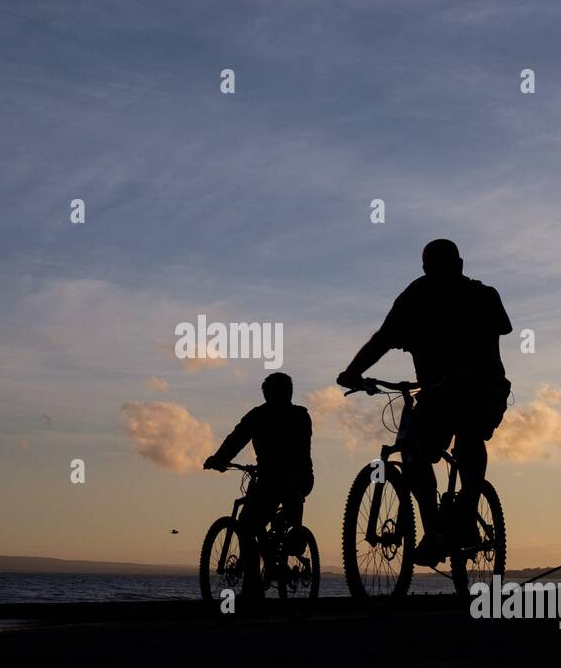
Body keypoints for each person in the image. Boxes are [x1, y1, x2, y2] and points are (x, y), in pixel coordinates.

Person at [336, 239, 512, 565]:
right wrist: (353, 371)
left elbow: (491, 341)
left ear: (458, 267)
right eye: (435, 269)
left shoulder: (481, 296)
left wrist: (467, 372)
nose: (440, 274)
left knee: (468, 436)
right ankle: (433, 530)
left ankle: (469, 506)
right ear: (427, 270)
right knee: (414, 452)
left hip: (482, 389)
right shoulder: (414, 297)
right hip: (437, 392)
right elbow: (383, 339)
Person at [203, 372, 314, 598]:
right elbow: (237, 437)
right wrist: (220, 458)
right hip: (280, 478)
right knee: (254, 525)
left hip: (290, 479)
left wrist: (220, 459)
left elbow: (239, 438)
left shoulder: (284, 416)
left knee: (248, 525)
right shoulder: (279, 415)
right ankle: (264, 573)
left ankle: (258, 581)